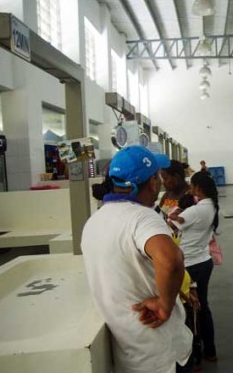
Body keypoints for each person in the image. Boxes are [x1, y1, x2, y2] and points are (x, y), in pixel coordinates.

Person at [81, 146, 192, 373]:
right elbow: (171, 260)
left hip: (130, 356)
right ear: (152, 183)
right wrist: (165, 305)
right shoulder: (142, 217)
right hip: (163, 354)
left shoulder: (94, 221)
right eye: (158, 177)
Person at [168, 172, 220, 365]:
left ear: (198, 188)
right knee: (203, 307)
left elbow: (171, 221)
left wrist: (178, 208)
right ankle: (210, 350)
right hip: (204, 261)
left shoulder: (195, 211)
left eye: (193, 186)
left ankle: (194, 356)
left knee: (190, 312)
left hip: (189, 265)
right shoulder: (212, 208)